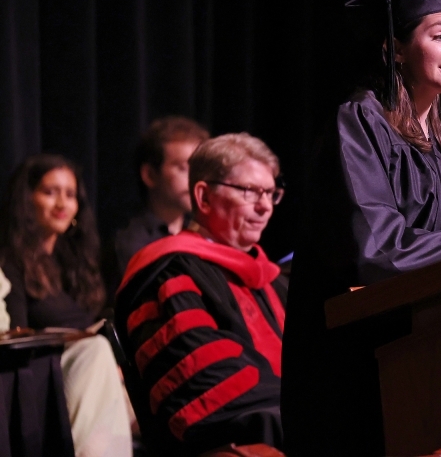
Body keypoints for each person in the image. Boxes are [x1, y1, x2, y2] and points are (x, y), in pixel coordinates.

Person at [281, 0, 441, 456]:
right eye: (440, 36)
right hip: (353, 367)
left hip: (418, 355)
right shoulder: (359, 123)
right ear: (395, 50)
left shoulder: (440, 146)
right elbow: (377, 250)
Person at [113, 133, 287, 456]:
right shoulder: (168, 272)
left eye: (271, 193)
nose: (264, 206)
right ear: (203, 197)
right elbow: (201, 381)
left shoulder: (273, 280)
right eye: (250, 191)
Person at [0, 153, 133, 457]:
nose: (62, 204)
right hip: (47, 380)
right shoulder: (10, 262)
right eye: (50, 192)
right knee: (96, 351)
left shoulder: (75, 261)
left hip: (101, 379)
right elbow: (15, 340)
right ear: (26, 200)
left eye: (70, 194)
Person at [109, 116, 210, 295]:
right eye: (182, 168)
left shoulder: (202, 232)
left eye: (199, 169)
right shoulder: (131, 241)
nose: (196, 180)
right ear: (150, 175)